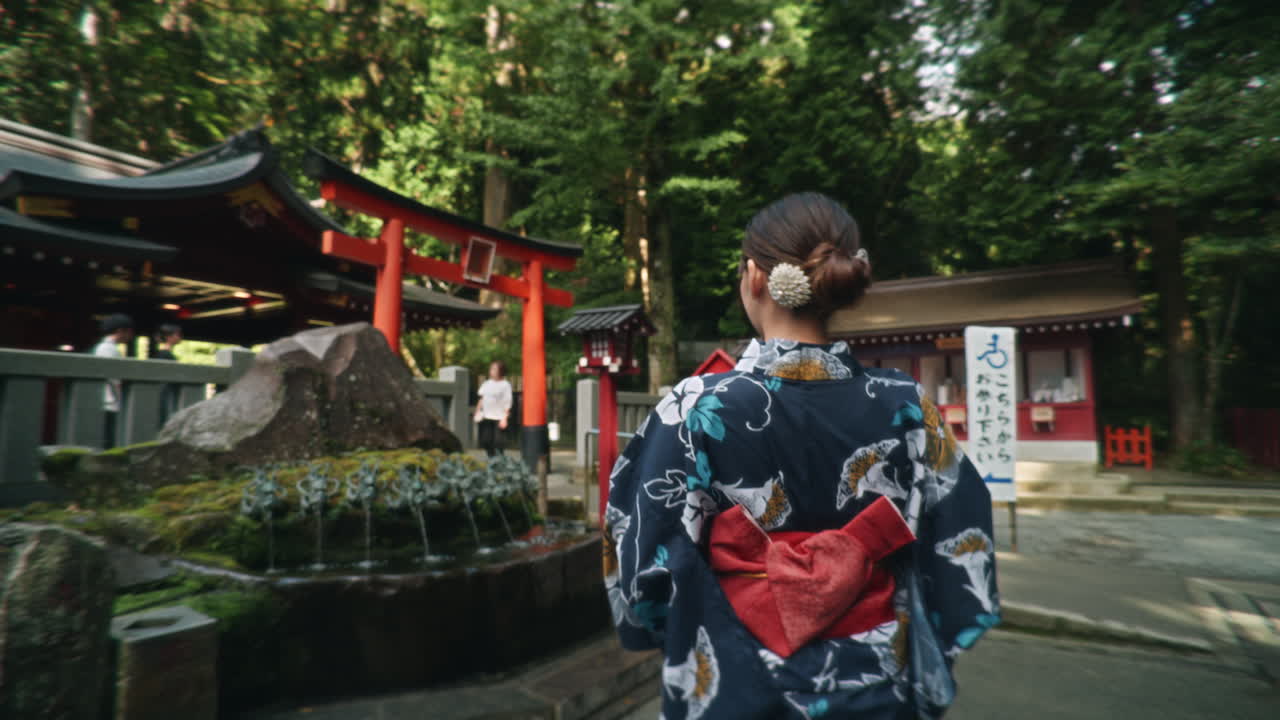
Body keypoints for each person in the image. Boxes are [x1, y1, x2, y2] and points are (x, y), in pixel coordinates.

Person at [605, 193, 998, 719]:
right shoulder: (906, 405)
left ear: (755, 277)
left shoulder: (695, 408)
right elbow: (962, 544)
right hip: (877, 688)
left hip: (734, 683)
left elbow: (641, 564)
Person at [93, 313, 134, 448]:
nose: (130, 335)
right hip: (108, 403)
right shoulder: (107, 349)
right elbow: (114, 378)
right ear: (120, 331)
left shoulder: (107, 347)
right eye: (128, 331)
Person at [474, 360, 513, 457]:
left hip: (499, 417)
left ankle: (499, 460)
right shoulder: (486, 384)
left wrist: (505, 418)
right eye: (491, 368)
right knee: (486, 441)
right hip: (487, 416)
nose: (491, 371)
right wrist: (477, 412)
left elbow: (507, 402)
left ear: (501, 371)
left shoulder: (505, 385)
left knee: (498, 442)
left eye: (494, 369)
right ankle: (491, 458)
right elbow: (481, 399)